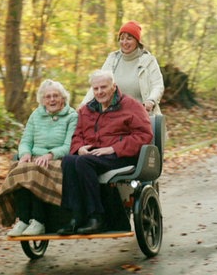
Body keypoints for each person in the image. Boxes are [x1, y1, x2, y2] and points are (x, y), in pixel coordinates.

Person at [57, 70, 153, 235]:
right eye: (96, 88)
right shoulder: (86, 110)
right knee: (68, 160)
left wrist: (114, 148)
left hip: (122, 155)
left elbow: (144, 135)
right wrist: (79, 148)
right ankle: (76, 216)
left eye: (103, 87)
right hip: (95, 155)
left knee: (83, 162)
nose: (99, 92)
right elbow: (77, 134)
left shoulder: (131, 106)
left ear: (114, 87)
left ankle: (96, 217)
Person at [0, 79, 78, 236]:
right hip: (34, 157)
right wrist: (25, 153)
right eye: (48, 97)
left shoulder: (72, 116)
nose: (52, 100)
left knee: (34, 170)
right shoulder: (36, 115)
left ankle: (38, 221)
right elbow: (26, 140)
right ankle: (23, 220)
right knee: (19, 168)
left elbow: (69, 146)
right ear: (42, 100)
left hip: (57, 160)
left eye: (56, 96)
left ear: (63, 98)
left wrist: (50, 155)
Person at [81, 20, 164, 115]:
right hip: (115, 116)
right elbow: (98, 84)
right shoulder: (112, 59)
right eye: (122, 38)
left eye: (129, 39)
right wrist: (83, 105)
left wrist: (151, 100)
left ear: (137, 41)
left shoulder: (148, 60)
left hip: (142, 115)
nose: (124, 42)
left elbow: (158, 85)